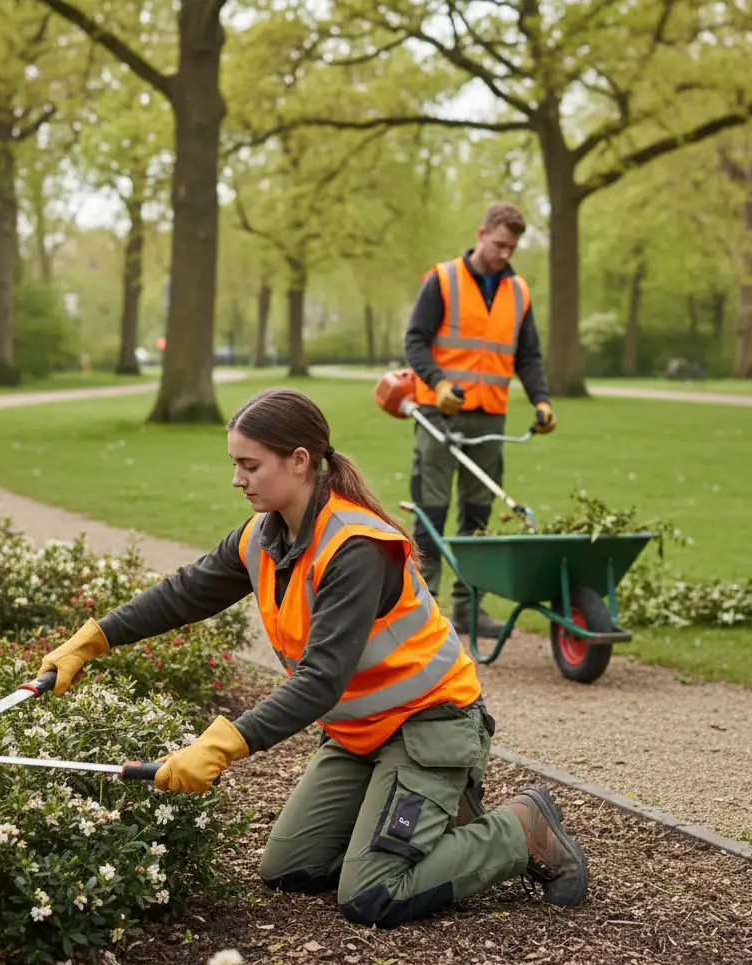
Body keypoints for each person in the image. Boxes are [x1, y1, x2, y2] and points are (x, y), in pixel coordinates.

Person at [38, 388, 587, 927]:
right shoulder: (263, 536)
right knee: (290, 869)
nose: (237, 479)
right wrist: (93, 641)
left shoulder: (355, 548)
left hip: (431, 725)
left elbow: (320, 681)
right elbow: (185, 593)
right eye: (235, 463)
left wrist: (221, 745)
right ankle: (424, 818)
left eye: (250, 465)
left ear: (299, 461)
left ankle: (521, 828)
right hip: (360, 737)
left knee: (372, 895)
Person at [405, 202, 556, 639]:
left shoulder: (519, 292)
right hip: (440, 413)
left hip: (490, 416)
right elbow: (415, 341)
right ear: (482, 233)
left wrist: (541, 401)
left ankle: (469, 608)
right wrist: (437, 384)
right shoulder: (444, 279)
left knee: (478, 515)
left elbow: (528, 356)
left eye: (512, 247)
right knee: (431, 512)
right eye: (499, 244)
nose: (504, 254)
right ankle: (424, 612)